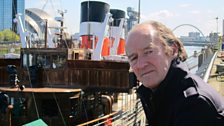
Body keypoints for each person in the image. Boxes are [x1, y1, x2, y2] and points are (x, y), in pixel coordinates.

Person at [125, 20, 224, 126]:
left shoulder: (193, 104)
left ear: (172, 50)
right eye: (134, 58)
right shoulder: (165, 93)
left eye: (148, 52)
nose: (140, 64)